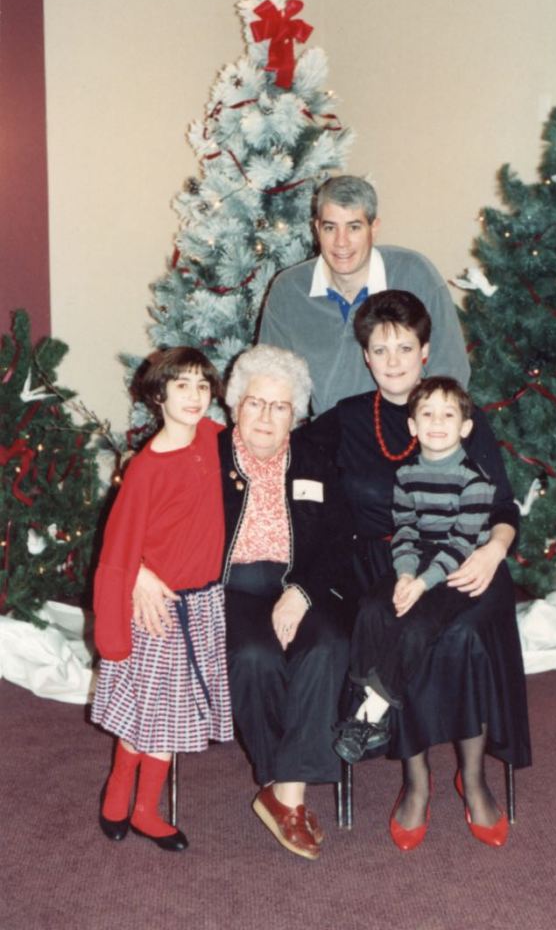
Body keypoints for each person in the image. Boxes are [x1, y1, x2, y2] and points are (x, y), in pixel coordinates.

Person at [303, 290, 530, 852]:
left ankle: (472, 777)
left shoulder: (459, 412)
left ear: (425, 351)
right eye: (380, 349)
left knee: (463, 635)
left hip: (468, 558)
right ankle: (417, 781)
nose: (394, 360)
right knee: (394, 622)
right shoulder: (348, 419)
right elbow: (283, 447)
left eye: (405, 347)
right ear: (366, 357)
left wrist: (494, 551)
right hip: (384, 563)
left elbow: (502, 505)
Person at [134, 345, 351, 861]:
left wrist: (301, 593)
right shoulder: (203, 455)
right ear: (234, 405)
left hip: (297, 586)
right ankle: (283, 785)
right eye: (256, 403)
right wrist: (139, 569)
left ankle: (285, 792)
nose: (266, 417)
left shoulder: (315, 461)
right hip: (225, 588)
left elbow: (340, 542)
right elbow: (146, 506)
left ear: (295, 414)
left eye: (280, 407)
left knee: (329, 645)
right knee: (253, 656)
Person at [92, 347, 233, 852]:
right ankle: (118, 790)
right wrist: (137, 575)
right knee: (147, 712)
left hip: (203, 604)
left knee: (173, 716)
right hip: (158, 609)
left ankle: (147, 810)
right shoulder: (146, 469)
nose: (195, 396)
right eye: (182, 386)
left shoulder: (217, 439)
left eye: (202, 385)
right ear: (159, 395)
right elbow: (118, 544)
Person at [333, 377, 495, 756]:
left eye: (448, 415)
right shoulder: (406, 476)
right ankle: (371, 706)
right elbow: (405, 530)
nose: (436, 423)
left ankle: (369, 714)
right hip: (416, 559)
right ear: (413, 425)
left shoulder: (475, 481)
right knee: (372, 608)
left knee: (417, 625)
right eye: (427, 414)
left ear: (465, 427)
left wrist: (422, 584)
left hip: (458, 567)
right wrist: (405, 574)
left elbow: (461, 545)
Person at [257, 175, 470, 414]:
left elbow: (450, 371)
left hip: (407, 427)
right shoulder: (289, 290)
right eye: (330, 228)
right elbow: (270, 380)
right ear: (317, 229)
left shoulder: (415, 274)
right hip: (329, 431)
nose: (341, 242)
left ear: (374, 228)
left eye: (354, 227)